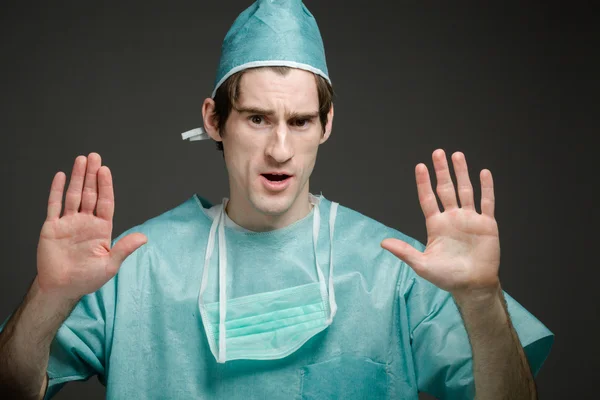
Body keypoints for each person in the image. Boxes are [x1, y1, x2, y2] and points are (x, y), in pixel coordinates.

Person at [0, 0, 553, 399]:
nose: (280, 148)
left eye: (301, 120)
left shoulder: (397, 271)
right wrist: (49, 296)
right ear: (215, 121)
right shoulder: (134, 265)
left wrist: (481, 299)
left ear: (327, 124)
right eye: (258, 118)